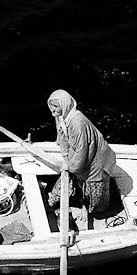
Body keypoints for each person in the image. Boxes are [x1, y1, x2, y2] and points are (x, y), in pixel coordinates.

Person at [46, 89, 116, 218]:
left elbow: (82, 149)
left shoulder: (77, 123)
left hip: (95, 157)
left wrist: (71, 166)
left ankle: (93, 209)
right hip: (82, 153)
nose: (52, 109)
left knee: (95, 195)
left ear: (64, 105)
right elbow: (62, 134)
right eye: (51, 105)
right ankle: (56, 200)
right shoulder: (62, 116)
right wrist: (66, 156)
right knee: (73, 176)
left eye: (55, 106)